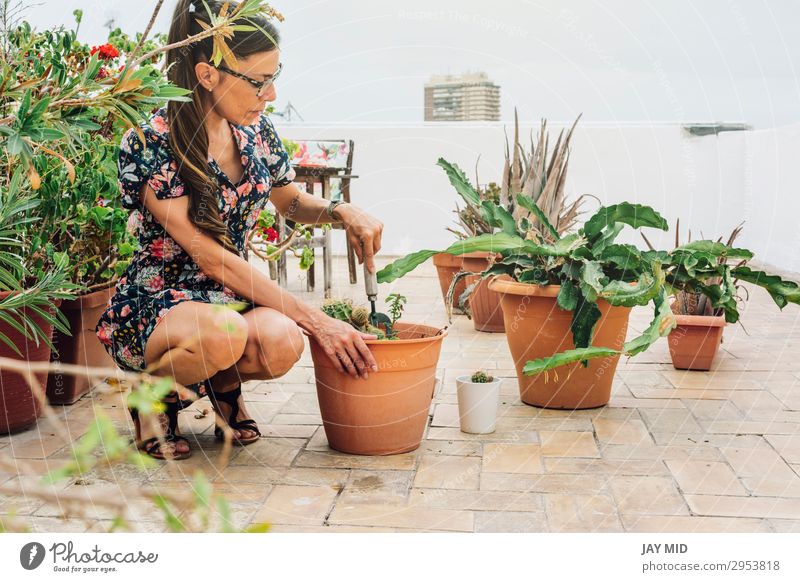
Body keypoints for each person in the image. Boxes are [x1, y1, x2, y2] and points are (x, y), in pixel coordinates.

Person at [95, 0, 384, 460]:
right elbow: (207, 255)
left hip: (226, 298)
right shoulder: (150, 140)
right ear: (207, 75)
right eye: (258, 81)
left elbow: (289, 200)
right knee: (227, 332)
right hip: (160, 303)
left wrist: (340, 210)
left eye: (275, 76)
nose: (269, 95)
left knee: (281, 341)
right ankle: (151, 396)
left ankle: (220, 379)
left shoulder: (255, 132)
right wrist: (317, 320)